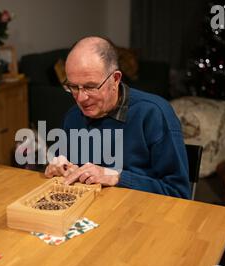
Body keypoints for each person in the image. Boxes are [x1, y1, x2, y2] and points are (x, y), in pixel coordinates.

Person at [44, 36, 190, 199]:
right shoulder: (73, 117)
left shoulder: (154, 113)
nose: (81, 98)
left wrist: (117, 177)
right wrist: (58, 169)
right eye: (73, 87)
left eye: (90, 87)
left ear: (115, 79)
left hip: (142, 215)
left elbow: (178, 192)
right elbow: (66, 171)